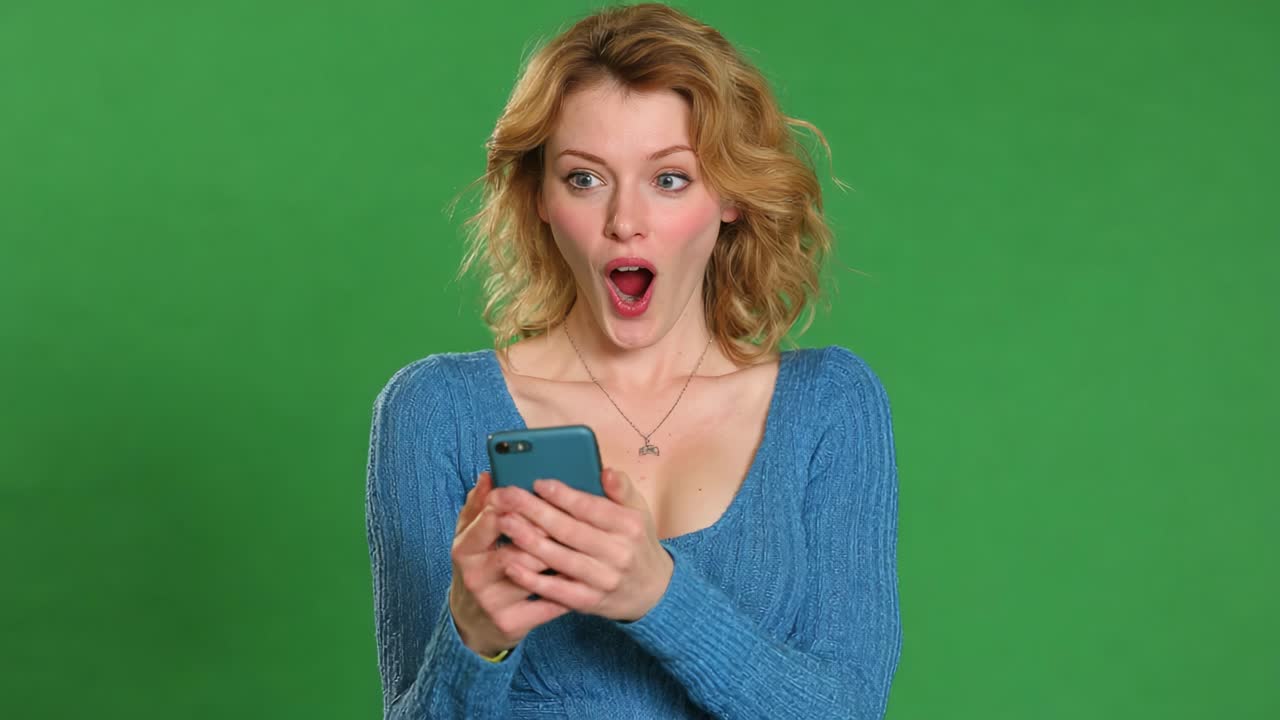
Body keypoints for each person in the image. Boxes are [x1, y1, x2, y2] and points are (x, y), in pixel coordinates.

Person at [364, 4, 901, 718]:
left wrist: (656, 594)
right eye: (585, 178)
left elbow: (848, 710)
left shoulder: (829, 405)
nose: (625, 221)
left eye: (669, 178)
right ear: (541, 198)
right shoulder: (433, 412)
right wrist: (477, 636)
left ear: (731, 196)